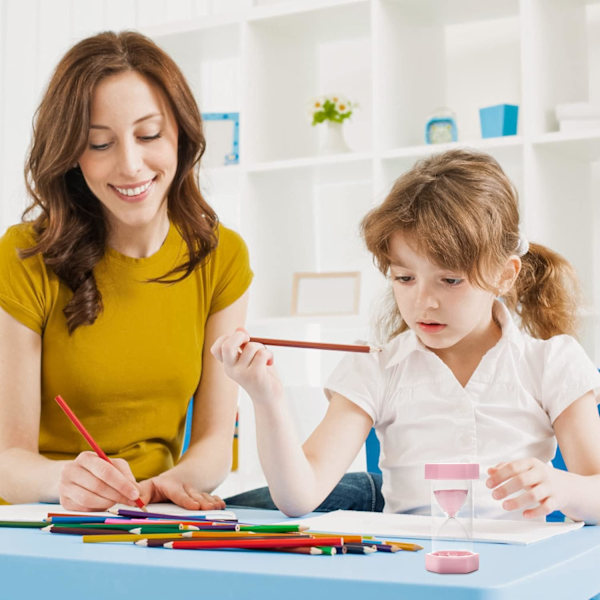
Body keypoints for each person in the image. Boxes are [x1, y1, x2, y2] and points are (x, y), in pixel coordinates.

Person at [213, 149, 600, 522]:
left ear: (505, 274)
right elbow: (300, 496)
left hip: (514, 578)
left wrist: (563, 488)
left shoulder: (551, 362)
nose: (423, 302)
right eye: (404, 278)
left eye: (450, 280)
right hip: (411, 568)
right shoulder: (375, 367)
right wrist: (265, 398)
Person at [0, 31, 253, 512]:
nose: (130, 165)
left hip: (152, 517)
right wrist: (66, 480)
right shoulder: (25, 254)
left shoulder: (222, 257)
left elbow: (214, 445)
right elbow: (8, 462)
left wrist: (162, 487)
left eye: (149, 135)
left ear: (181, 131)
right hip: (44, 517)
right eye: (99, 144)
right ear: (73, 155)